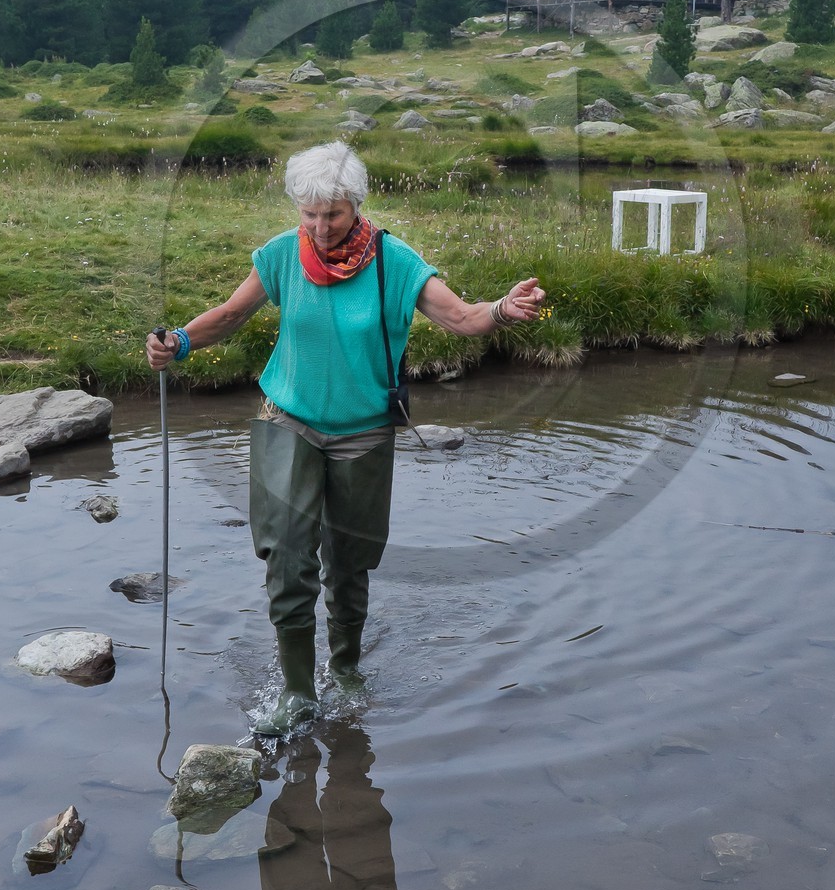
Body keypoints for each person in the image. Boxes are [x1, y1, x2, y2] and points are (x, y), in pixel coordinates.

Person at [147, 139, 545, 736]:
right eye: (309, 214)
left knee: (350, 563)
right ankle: (297, 694)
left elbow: (462, 317)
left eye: (331, 214)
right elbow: (230, 315)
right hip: (288, 420)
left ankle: (347, 668)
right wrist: (177, 341)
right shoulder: (281, 255)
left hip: (363, 433)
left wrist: (503, 310)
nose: (319, 226)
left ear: (356, 204)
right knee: (287, 559)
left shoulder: (395, 261)